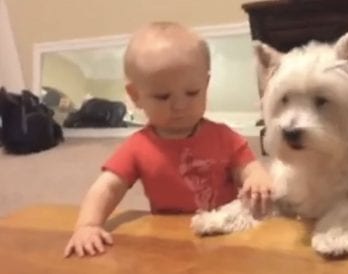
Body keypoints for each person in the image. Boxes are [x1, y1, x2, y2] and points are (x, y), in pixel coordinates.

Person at [64, 21, 273, 257]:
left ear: (206, 84)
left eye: (192, 93)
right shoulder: (137, 147)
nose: (180, 105)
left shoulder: (223, 136)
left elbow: (249, 167)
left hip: (226, 229)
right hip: (169, 238)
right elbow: (107, 187)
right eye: (163, 97)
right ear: (136, 96)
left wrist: (257, 178)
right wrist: (88, 225)